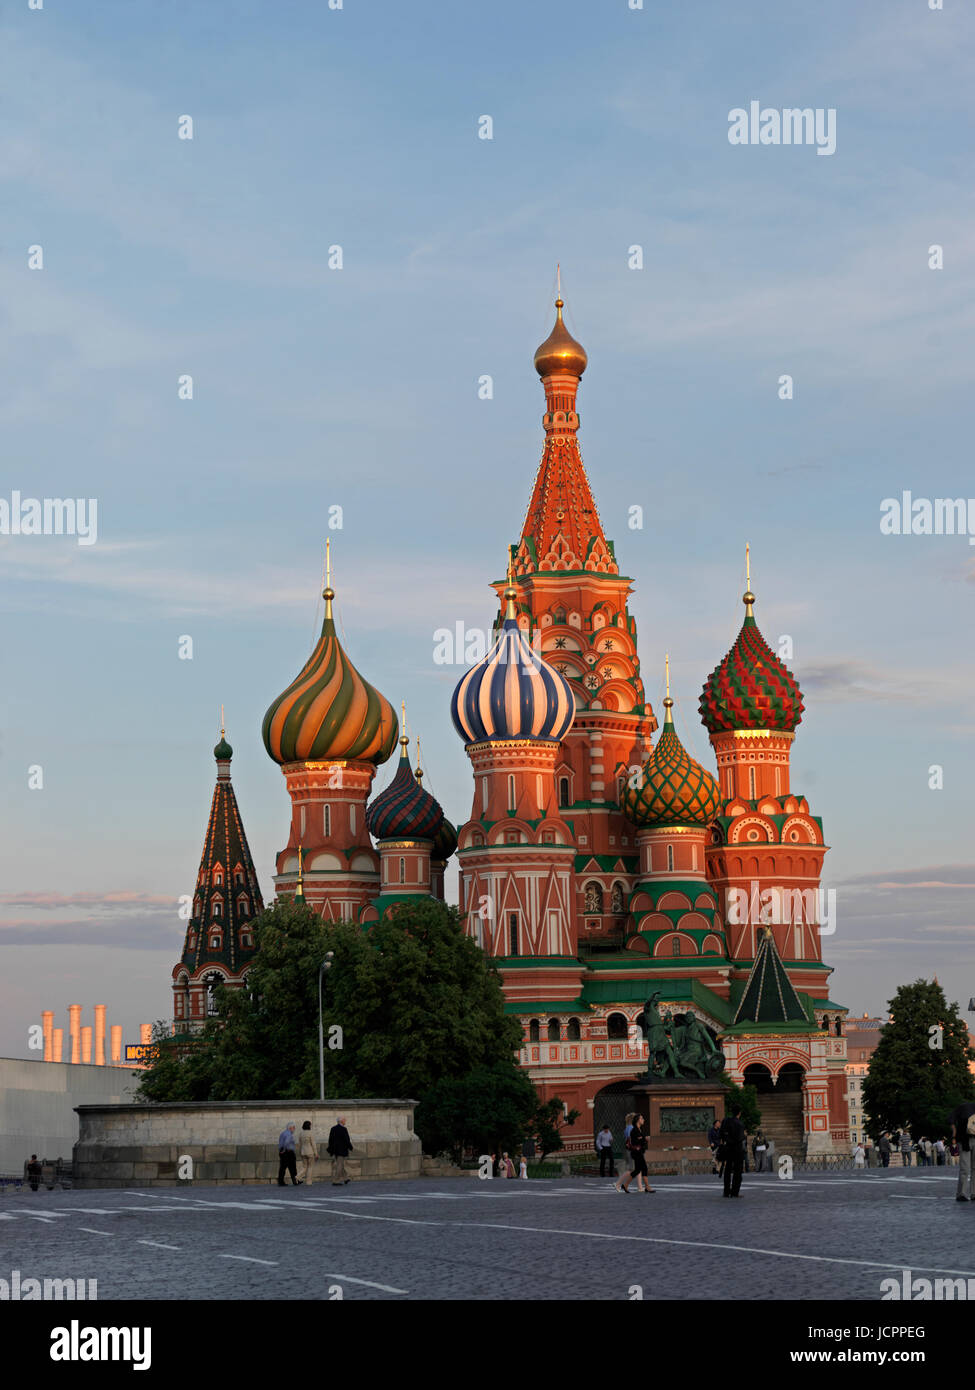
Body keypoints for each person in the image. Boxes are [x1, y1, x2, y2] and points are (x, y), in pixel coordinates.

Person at [615, 1113, 654, 1194]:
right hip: (636, 1153)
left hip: (639, 1152)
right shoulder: (634, 1130)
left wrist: (644, 1139)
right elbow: (634, 1141)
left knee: (637, 1170)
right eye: (642, 1118)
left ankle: (625, 1185)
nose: (643, 1120)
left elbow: (640, 1141)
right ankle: (647, 1187)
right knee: (644, 1169)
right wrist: (644, 1139)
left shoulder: (639, 1129)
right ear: (637, 1120)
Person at [949, 1098, 975, 1202]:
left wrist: (954, 1134)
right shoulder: (965, 1107)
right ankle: (967, 1194)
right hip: (966, 1140)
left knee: (969, 1168)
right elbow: (951, 1120)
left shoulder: (962, 1108)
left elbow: (951, 1120)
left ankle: (967, 1193)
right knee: (969, 1168)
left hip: (966, 1140)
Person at [718, 1105, 746, 1198]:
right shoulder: (740, 1124)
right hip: (737, 1149)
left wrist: (726, 1140)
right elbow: (740, 1138)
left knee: (727, 1170)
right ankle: (735, 1192)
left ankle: (726, 1191)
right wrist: (744, 1135)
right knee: (737, 1172)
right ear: (739, 1113)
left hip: (727, 1148)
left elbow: (721, 1134)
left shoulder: (726, 1121)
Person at [327, 1116, 354, 1186]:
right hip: (342, 1149)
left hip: (335, 1150)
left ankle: (345, 1178)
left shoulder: (333, 1128)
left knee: (340, 1164)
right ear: (341, 1121)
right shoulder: (344, 1129)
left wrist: (331, 1149)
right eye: (344, 1120)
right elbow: (346, 1139)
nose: (345, 1121)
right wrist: (350, 1147)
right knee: (339, 1165)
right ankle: (336, 1180)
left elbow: (330, 1139)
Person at [298, 1120, 318, 1186]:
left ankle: (298, 1176)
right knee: (310, 1167)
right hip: (310, 1152)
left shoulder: (301, 1133)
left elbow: (300, 1144)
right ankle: (308, 1181)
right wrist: (316, 1153)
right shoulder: (310, 1133)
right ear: (309, 1126)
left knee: (304, 1167)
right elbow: (313, 1144)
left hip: (303, 1152)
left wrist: (300, 1152)